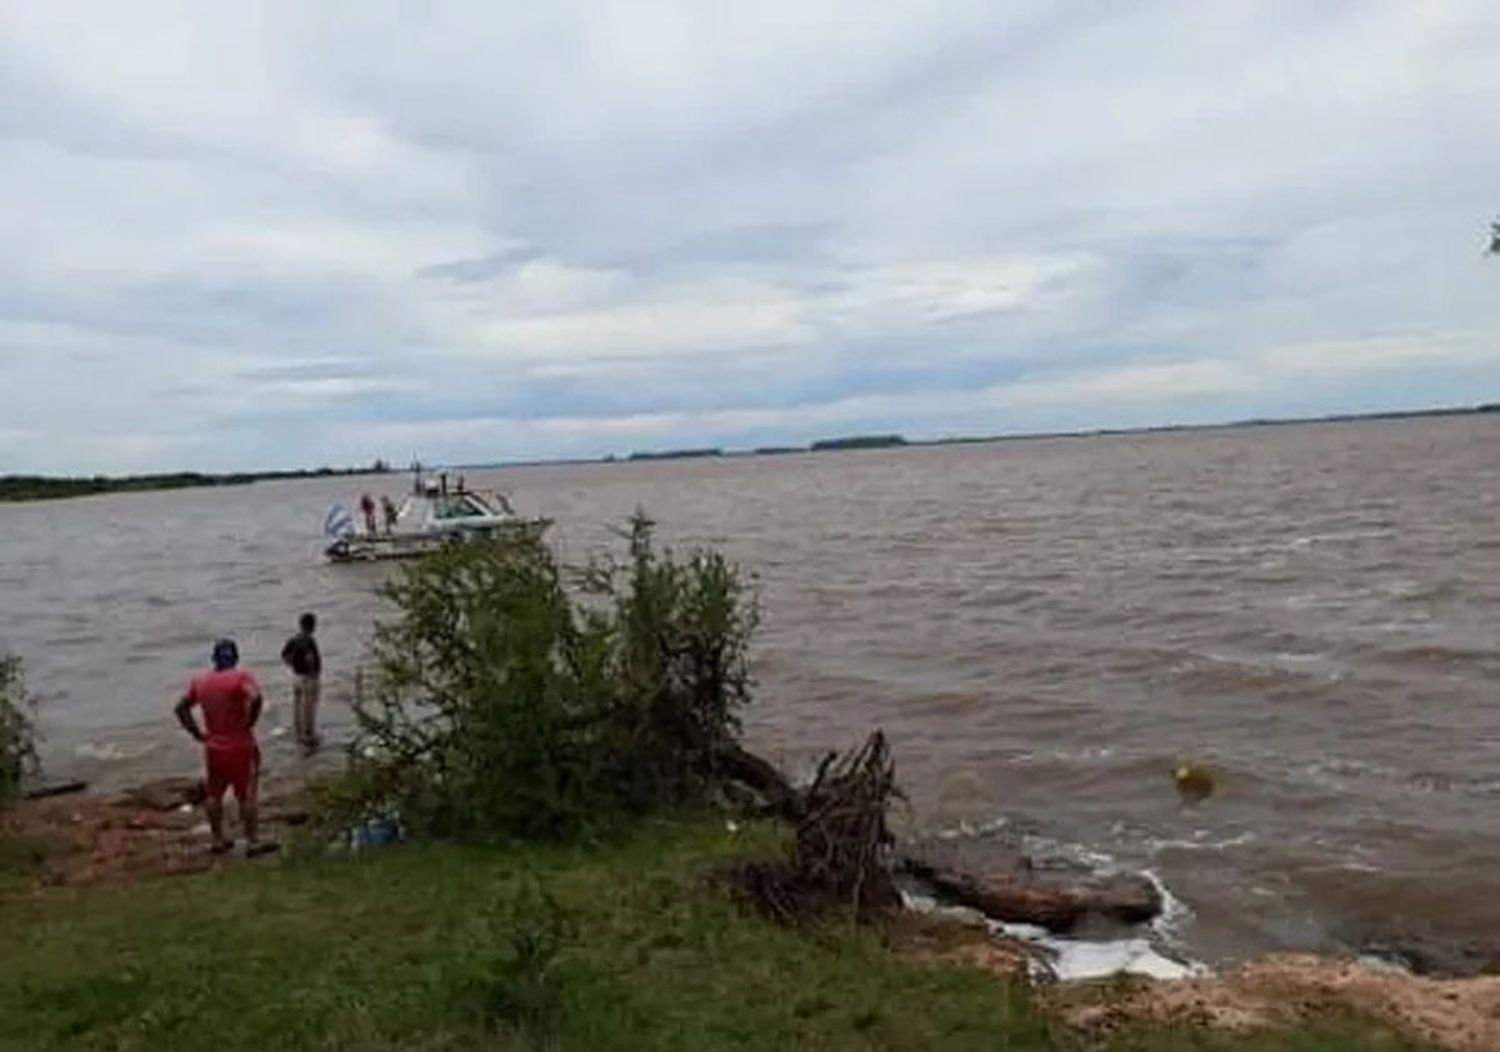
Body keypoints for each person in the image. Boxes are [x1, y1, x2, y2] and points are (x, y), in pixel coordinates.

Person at [174, 639, 274, 857]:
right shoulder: (241, 678)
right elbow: (255, 697)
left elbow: (181, 708)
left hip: (214, 746)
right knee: (247, 794)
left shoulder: (200, 682)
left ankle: (218, 838)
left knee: (214, 793)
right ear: (235, 658)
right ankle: (252, 841)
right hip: (240, 744)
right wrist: (251, 719)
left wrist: (196, 733)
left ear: (214, 659)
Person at [281, 612, 322, 752]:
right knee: (309, 709)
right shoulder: (309, 640)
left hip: (296, 677)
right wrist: (312, 673)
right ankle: (309, 737)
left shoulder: (294, 639)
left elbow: (284, 656)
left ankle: (298, 734)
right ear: (312, 626)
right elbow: (310, 658)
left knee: (297, 707)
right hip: (308, 678)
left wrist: (293, 665)